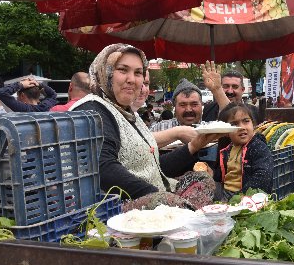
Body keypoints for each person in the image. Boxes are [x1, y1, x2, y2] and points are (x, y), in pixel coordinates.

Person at [70, 43, 219, 200]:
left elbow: (153, 168)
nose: (132, 80)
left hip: (155, 195)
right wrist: (162, 198)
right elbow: (104, 169)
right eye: (122, 70)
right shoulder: (93, 109)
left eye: (138, 73)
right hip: (123, 210)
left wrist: (195, 145)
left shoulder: (128, 113)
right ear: (104, 71)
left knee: (205, 180)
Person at [213, 102, 273, 201]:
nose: (242, 127)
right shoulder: (227, 149)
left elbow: (263, 177)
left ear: (253, 124)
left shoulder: (258, 147)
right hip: (225, 193)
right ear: (226, 132)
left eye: (246, 121)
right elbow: (220, 177)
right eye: (234, 124)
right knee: (200, 178)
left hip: (245, 197)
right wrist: (210, 173)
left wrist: (240, 198)